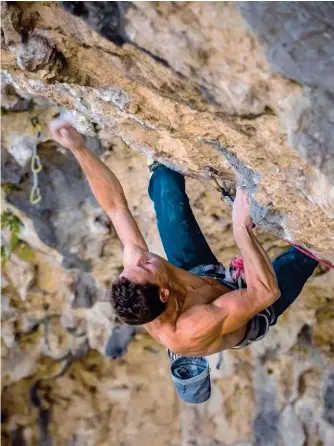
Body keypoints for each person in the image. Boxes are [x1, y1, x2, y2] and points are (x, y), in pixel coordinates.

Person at [50, 121, 318, 403]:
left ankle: (161, 162)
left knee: (166, 182)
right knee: (306, 250)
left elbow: (116, 207)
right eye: (145, 267)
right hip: (250, 310)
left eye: (131, 267)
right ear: (164, 293)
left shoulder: (139, 275)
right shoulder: (191, 328)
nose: (141, 258)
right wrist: (241, 229)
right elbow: (264, 293)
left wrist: (78, 148)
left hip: (200, 276)